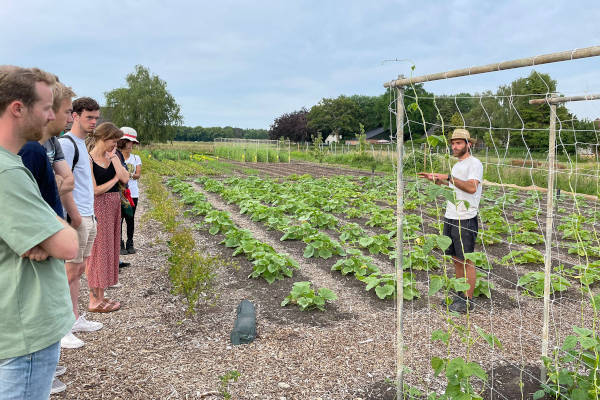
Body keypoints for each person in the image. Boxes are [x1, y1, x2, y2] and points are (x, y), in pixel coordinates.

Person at [0, 66, 78, 400]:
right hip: (24, 326)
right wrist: (50, 226)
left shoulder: (14, 162)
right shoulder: (8, 171)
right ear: (18, 108)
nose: (51, 116)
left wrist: (41, 228)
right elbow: (67, 244)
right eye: (46, 107)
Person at [417, 128, 483, 314]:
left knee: (466, 259)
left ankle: (468, 300)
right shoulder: (456, 166)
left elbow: (471, 187)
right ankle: (460, 295)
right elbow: (453, 186)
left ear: (468, 144)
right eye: (453, 143)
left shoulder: (474, 163)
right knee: (456, 259)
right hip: (451, 215)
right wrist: (437, 180)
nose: (454, 146)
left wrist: (448, 177)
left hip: (466, 218)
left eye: (459, 143)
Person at [58, 97, 100, 348]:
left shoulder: (82, 144)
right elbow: (62, 184)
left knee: (79, 270)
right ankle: (62, 327)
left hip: (88, 214)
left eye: (96, 118)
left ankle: (74, 318)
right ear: (75, 116)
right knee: (68, 272)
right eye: (89, 117)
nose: (94, 122)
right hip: (77, 216)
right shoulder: (67, 144)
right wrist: (73, 215)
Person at [87, 122, 129, 312]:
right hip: (99, 206)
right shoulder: (89, 159)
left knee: (109, 250)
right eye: (114, 140)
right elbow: (95, 190)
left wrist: (114, 159)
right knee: (97, 253)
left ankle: (101, 297)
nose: (116, 144)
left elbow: (126, 178)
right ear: (104, 138)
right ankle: (93, 300)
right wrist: (114, 179)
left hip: (113, 205)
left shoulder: (112, 156)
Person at [117, 127, 141, 255]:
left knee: (130, 218)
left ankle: (130, 242)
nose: (131, 145)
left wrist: (126, 175)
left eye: (133, 143)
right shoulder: (116, 156)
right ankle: (119, 242)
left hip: (133, 192)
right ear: (123, 141)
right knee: (119, 219)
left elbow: (138, 174)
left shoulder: (136, 158)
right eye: (129, 142)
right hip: (120, 193)